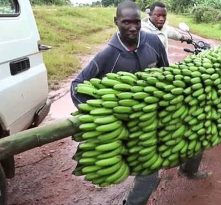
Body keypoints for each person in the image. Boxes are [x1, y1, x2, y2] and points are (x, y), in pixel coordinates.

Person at [70, 2, 208, 205]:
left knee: (194, 135)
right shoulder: (108, 55)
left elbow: (165, 72)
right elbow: (76, 85)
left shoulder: (153, 42)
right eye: (126, 22)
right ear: (116, 22)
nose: (133, 27)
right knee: (149, 175)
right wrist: (102, 112)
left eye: (136, 22)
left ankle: (188, 169)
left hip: (158, 111)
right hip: (132, 122)